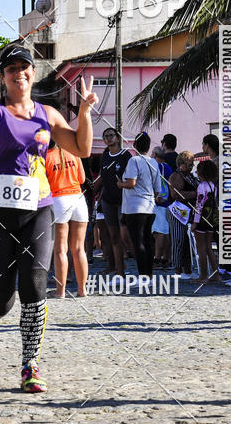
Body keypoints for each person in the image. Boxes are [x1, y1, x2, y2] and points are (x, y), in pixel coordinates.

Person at [0, 44, 97, 393]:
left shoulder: (47, 114)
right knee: (1, 295)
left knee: (34, 284)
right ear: (3, 77)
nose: (19, 73)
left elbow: (82, 149)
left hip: (39, 210)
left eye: (25, 67)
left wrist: (85, 113)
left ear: (32, 73)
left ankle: (30, 365)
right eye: (11, 68)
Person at [45, 140, 88, 299]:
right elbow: (82, 179)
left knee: (60, 249)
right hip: (78, 198)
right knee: (79, 248)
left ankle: (60, 291)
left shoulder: (45, 156)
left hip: (59, 199)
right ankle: (82, 290)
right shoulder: (74, 153)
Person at [117, 132, 161, 280]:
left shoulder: (134, 161)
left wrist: (120, 184)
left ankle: (143, 275)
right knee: (147, 241)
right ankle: (149, 273)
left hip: (134, 207)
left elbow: (131, 183)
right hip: (150, 206)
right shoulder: (154, 162)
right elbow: (157, 189)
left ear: (135, 145)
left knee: (138, 242)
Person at [96, 127, 131, 276]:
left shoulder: (126, 155)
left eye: (111, 135)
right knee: (113, 237)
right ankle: (119, 271)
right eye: (105, 136)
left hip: (124, 200)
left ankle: (141, 269)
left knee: (125, 237)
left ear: (117, 138)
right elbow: (103, 179)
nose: (108, 138)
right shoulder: (105, 156)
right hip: (108, 200)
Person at [167, 152, 197, 279]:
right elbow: (176, 195)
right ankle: (177, 270)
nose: (191, 167)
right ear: (181, 165)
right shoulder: (176, 176)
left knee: (186, 243)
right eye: (189, 165)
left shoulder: (190, 176)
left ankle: (187, 270)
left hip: (188, 213)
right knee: (178, 241)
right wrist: (196, 194)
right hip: (177, 213)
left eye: (192, 165)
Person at [190, 160, 221, 284]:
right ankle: (215, 274)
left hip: (202, 220)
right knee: (209, 247)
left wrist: (195, 222)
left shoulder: (201, 187)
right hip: (211, 219)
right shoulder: (213, 186)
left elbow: (199, 205)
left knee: (201, 248)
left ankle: (203, 275)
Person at [150, 146, 172, 268]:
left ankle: (157, 258)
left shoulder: (157, 167)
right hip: (166, 201)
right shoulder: (167, 167)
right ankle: (166, 258)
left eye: (152, 153)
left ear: (155, 155)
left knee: (159, 232)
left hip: (158, 201)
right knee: (165, 231)